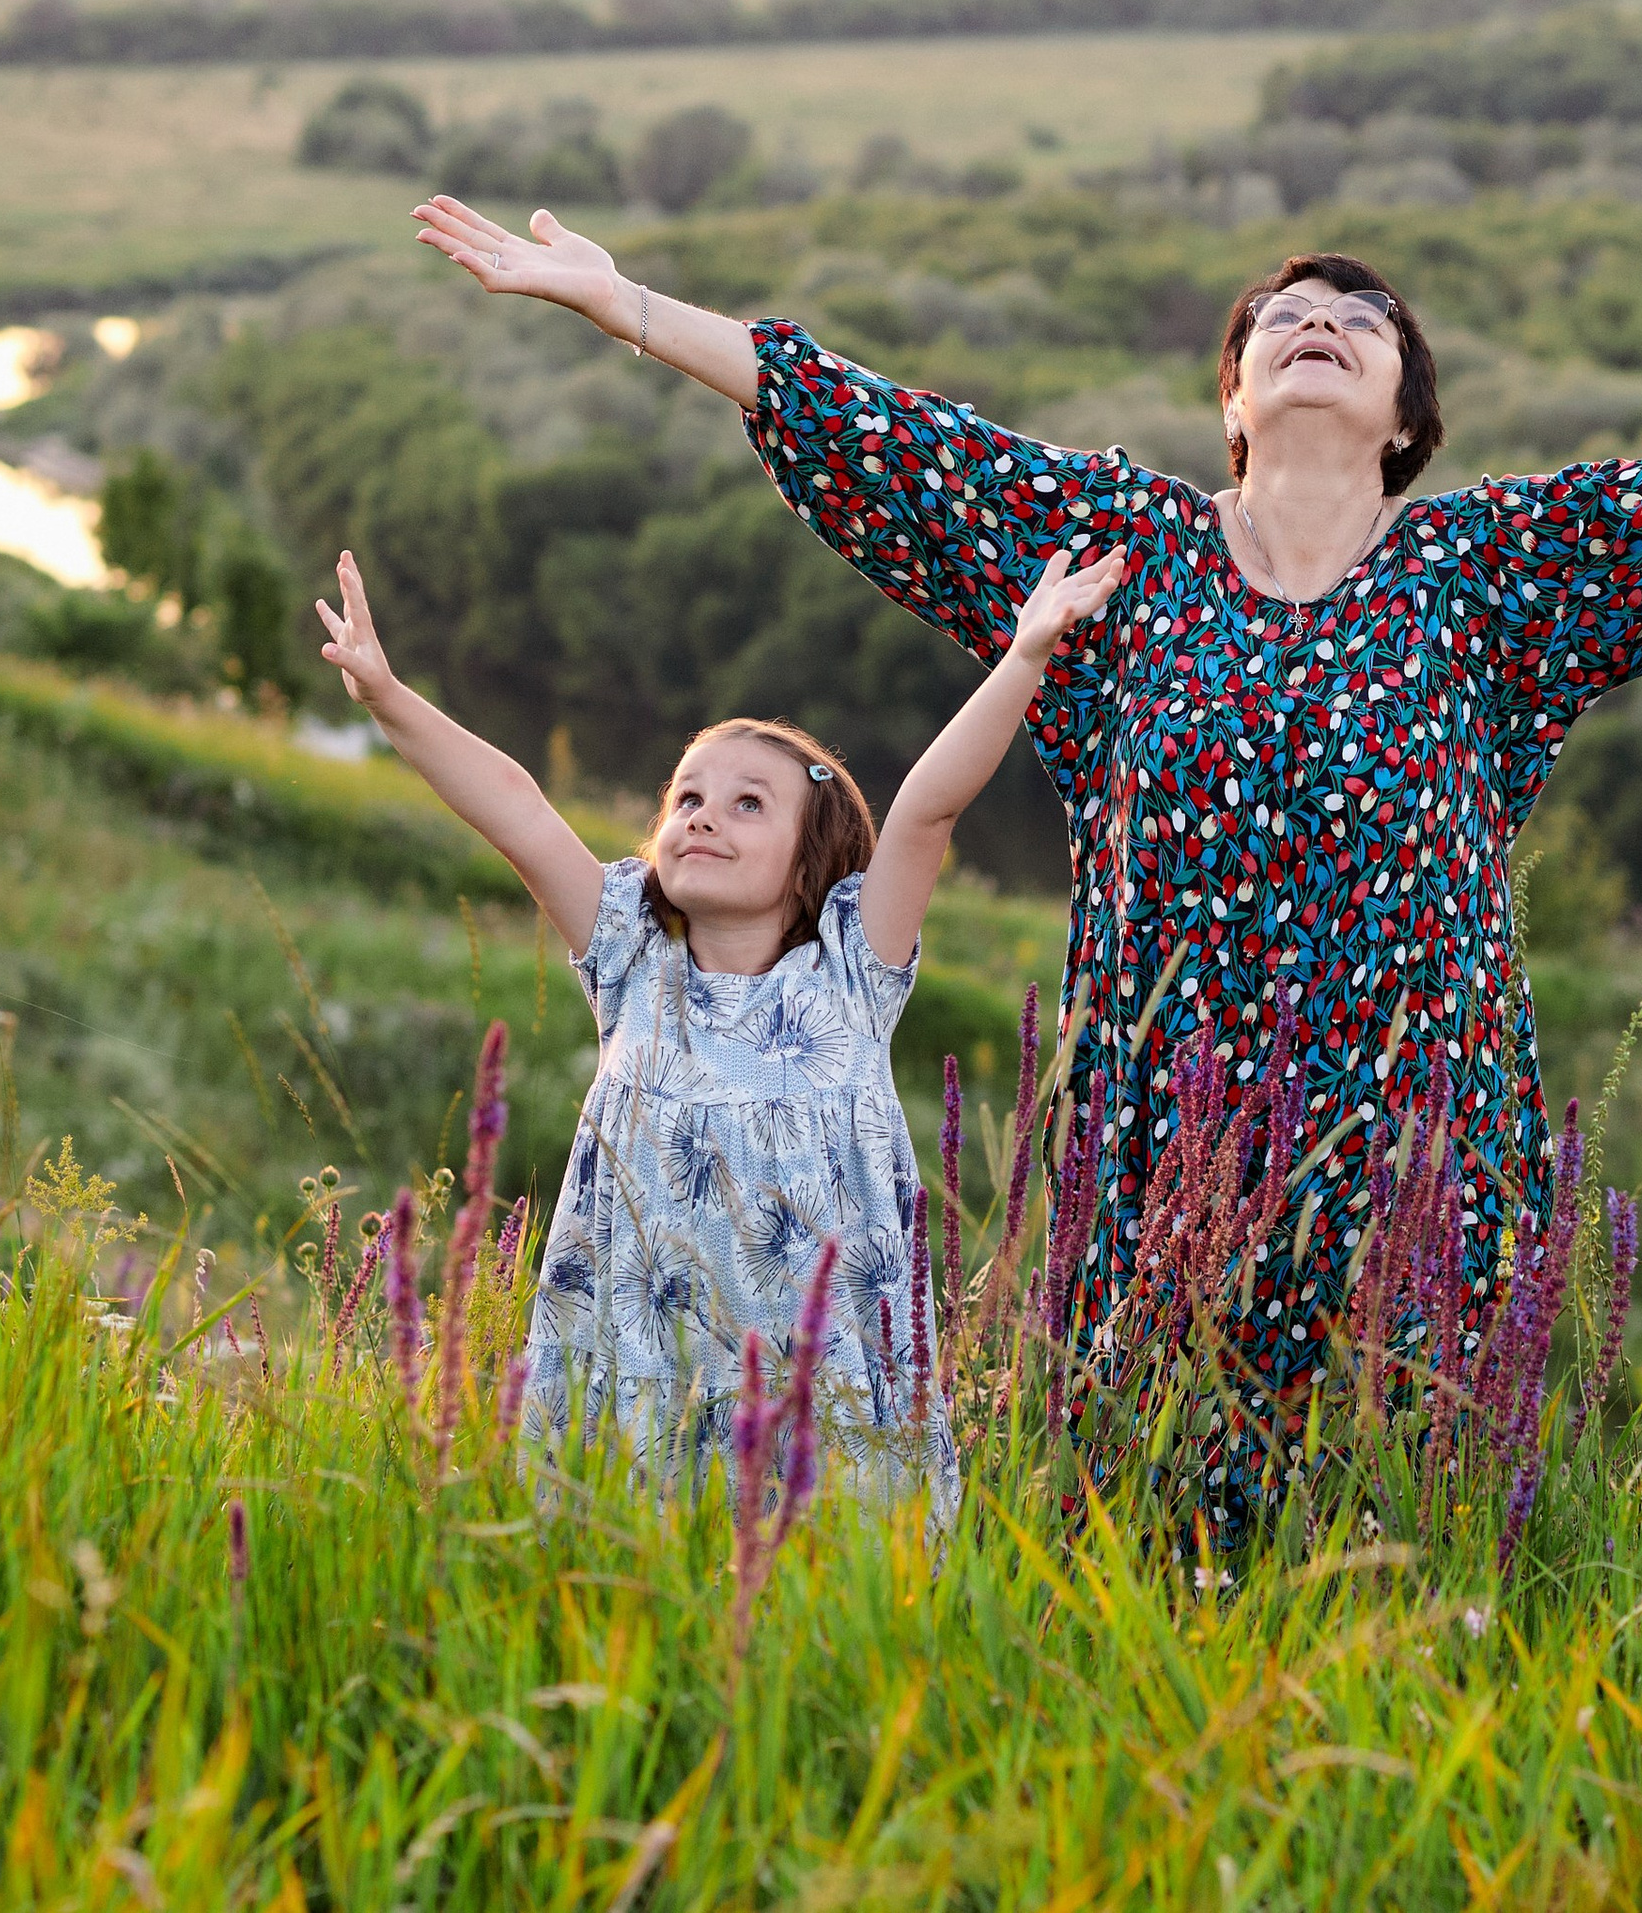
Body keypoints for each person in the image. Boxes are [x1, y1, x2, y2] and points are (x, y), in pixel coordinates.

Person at [413, 194, 1642, 1529]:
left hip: (1422, 1144)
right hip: (1162, 1148)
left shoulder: (1486, 574)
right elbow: (874, 432)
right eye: (1280, 313)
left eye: (1358, 318)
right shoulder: (1116, 547)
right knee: (1140, 1510)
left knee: (1409, 1516)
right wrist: (614, 299)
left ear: (1403, 419)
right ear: (1231, 403)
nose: (1315, 319)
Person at [313, 530, 1123, 1513]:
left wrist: (1024, 655)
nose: (702, 815)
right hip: (640, 1376)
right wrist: (387, 695)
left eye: (748, 804)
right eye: (687, 797)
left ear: (811, 857)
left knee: (817, 1611)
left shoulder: (851, 972)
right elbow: (518, 810)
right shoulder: (630, 952)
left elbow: (926, 812)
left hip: (823, 1393)